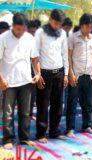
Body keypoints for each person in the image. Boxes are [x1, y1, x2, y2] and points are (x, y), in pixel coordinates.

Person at [0, 13, 41, 150]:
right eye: (18, 29)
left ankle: (24, 138)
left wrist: (38, 73)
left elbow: (34, 58)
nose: (21, 32)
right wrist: (1, 79)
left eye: (23, 29)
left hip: (26, 81)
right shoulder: (3, 38)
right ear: (12, 26)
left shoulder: (29, 38)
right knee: (8, 113)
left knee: (25, 113)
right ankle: (8, 139)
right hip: (8, 82)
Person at [35, 9, 69, 143]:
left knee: (58, 104)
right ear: (50, 20)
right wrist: (38, 74)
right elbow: (35, 54)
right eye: (55, 23)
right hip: (45, 74)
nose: (57, 26)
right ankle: (41, 133)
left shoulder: (63, 34)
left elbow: (65, 54)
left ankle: (54, 131)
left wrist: (66, 74)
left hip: (59, 73)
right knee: (43, 105)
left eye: (59, 24)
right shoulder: (40, 32)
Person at [66, 14, 92, 138]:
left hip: (88, 75)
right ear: (82, 25)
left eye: (91, 27)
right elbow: (68, 56)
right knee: (72, 103)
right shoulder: (73, 38)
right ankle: (70, 128)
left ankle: (87, 125)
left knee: (88, 103)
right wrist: (71, 74)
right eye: (87, 27)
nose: (89, 29)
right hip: (76, 75)